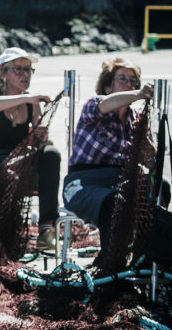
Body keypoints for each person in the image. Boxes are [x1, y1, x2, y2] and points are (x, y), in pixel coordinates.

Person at [0, 47, 61, 252]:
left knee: (51, 154)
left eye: (28, 69)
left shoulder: (32, 104)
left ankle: (46, 227)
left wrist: (41, 136)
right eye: (18, 69)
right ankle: (3, 237)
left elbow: (39, 141)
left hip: (16, 162)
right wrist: (26, 98)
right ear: (2, 72)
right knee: (8, 174)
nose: (24, 74)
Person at [62, 56, 153, 239]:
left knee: (158, 187)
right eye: (122, 79)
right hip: (84, 183)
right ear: (108, 86)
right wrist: (138, 95)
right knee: (114, 201)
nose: (129, 84)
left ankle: (145, 257)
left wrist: (145, 140)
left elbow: (151, 158)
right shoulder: (94, 106)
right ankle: (109, 261)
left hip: (120, 181)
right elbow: (105, 104)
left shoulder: (136, 120)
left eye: (133, 81)